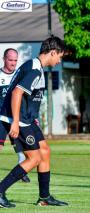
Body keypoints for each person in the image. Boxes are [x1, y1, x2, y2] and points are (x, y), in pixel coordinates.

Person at [0, 36, 68, 208]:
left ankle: (44, 197)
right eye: (60, 56)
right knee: (34, 158)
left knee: (45, 151)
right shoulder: (34, 70)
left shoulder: (35, 66)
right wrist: (15, 122)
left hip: (28, 119)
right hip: (19, 120)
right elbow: (16, 93)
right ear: (53, 52)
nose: (60, 60)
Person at [0, 48, 31, 183]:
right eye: (10, 60)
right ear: (4, 59)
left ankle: (21, 171)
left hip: (16, 118)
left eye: (15, 60)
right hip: (1, 118)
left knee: (25, 149)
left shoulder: (19, 76)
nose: (13, 63)